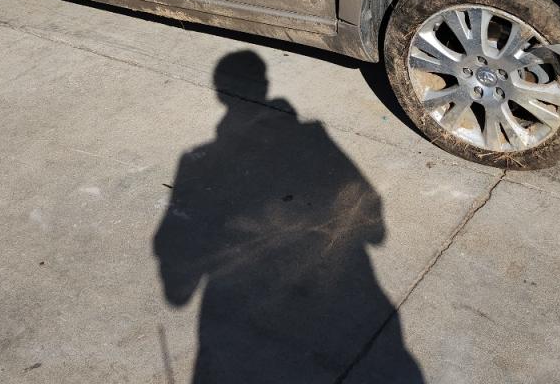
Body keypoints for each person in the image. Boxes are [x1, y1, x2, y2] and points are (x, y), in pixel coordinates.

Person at [153, 51, 424, 383]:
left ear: (219, 93)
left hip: (241, 335)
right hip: (346, 314)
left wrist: (178, 285)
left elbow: (174, 272)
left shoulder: (195, 159)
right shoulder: (316, 137)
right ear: (264, 84)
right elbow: (375, 229)